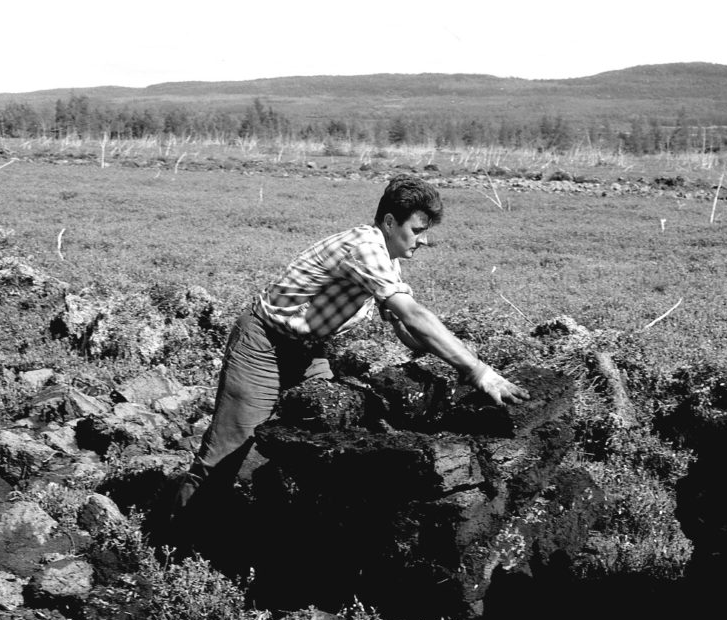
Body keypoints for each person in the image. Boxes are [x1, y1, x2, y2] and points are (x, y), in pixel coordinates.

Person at [172, 174, 529, 514]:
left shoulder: (387, 259)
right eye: (417, 231)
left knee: (329, 433)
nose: (422, 241)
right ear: (390, 222)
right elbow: (414, 315)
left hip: (307, 350)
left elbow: (406, 327)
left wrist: (448, 360)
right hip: (264, 344)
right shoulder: (365, 248)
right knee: (228, 453)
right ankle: (172, 538)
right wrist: (477, 370)